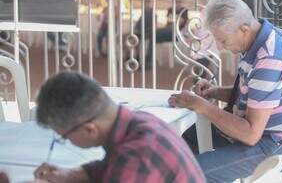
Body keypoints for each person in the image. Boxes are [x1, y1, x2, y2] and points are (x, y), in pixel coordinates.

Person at [169, 0, 282, 182]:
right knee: (182, 142)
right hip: (264, 133)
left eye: (223, 40)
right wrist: (214, 91)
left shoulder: (270, 57)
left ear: (244, 30)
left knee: (191, 173)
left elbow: (250, 134)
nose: (221, 48)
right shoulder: (260, 37)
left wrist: (199, 105)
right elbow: (257, 96)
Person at [32, 71, 206, 183]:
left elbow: (125, 168)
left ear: (89, 129)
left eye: (64, 137)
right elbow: (113, 165)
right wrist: (70, 175)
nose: (65, 141)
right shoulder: (139, 122)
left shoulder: (138, 156)